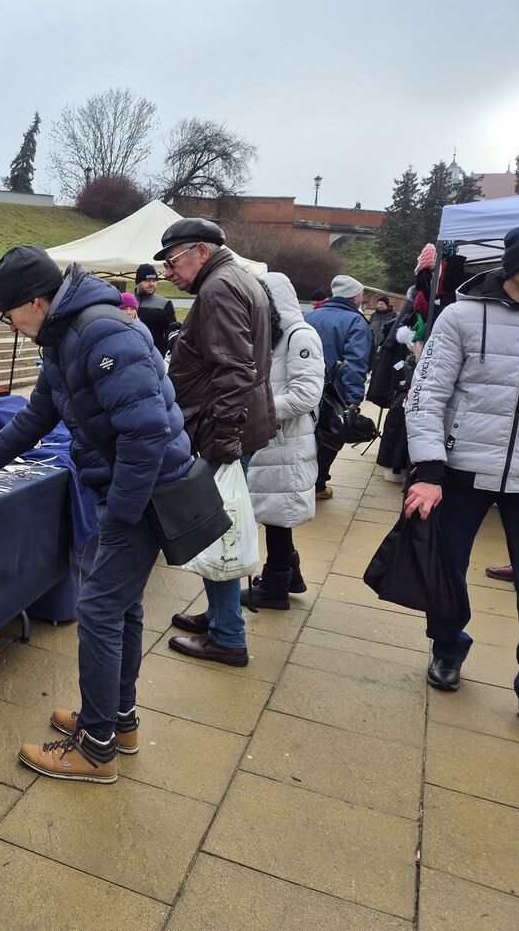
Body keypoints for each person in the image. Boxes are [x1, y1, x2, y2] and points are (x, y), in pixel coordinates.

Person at [0, 245, 193, 783]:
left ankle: (97, 747)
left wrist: (121, 515)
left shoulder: (100, 332)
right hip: (127, 489)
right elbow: (38, 414)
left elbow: (146, 431)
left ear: (35, 302)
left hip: (142, 493)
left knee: (100, 612)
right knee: (121, 609)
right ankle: (117, 722)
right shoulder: (63, 335)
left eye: (9, 316)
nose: (11, 328)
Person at [404, 224, 519, 728]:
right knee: (447, 567)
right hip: (463, 470)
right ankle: (448, 647)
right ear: (516, 264)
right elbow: (426, 397)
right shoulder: (461, 316)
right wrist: (428, 470)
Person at [159, 218, 275, 667]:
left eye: (173, 261)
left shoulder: (218, 288)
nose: (169, 272)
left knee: (217, 528)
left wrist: (222, 437)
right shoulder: (238, 278)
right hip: (236, 425)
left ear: (201, 252)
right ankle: (219, 616)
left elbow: (234, 371)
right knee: (218, 525)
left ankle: (228, 635)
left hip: (224, 430)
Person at [240, 272, 325, 610]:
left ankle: (276, 586)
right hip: (271, 439)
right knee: (276, 512)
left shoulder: (300, 336)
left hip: (286, 440)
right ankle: (289, 575)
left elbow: (306, 395)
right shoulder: (273, 335)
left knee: (278, 513)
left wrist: (256, 409)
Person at [305, 274, 371, 499]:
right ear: (355, 296)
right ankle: (318, 485)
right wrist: (354, 397)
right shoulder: (356, 321)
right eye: (362, 294)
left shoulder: (310, 315)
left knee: (305, 436)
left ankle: (303, 482)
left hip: (305, 387)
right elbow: (356, 362)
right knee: (329, 437)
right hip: (335, 392)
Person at [134, 263, 178, 357]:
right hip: (130, 354)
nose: (151, 284)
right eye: (147, 280)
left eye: (154, 280)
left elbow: (171, 333)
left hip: (156, 357)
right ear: (137, 282)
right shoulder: (127, 301)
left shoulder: (165, 303)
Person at [368, 295, 397, 360]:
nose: (379, 306)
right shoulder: (374, 315)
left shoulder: (393, 315)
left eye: (382, 304)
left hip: (385, 345)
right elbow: (369, 327)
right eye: (378, 303)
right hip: (373, 344)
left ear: (387, 305)